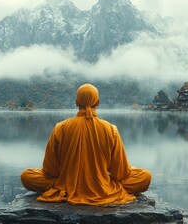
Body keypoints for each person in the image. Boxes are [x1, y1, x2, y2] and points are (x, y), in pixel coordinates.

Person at [21, 83, 151, 205]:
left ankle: (64, 187)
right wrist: (103, 177)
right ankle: (103, 187)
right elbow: (120, 173)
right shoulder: (111, 129)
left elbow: (50, 171)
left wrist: (63, 179)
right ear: (98, 103)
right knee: (144, 177)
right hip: (102, 187)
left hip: (65, 185)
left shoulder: (60, 128)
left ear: (77, 103)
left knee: (27, 176)